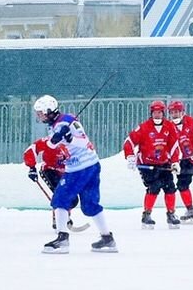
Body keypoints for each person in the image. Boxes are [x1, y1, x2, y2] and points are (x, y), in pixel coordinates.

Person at [33, 95, 116, 254]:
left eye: (41, 113)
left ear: (49, 111)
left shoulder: (69, 121)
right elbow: (51, 144)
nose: (39, 116)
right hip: (90, 166)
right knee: (90, 204)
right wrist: (59, 138)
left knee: (60, 199)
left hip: (80, 168)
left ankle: (62, 238)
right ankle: (107, 238)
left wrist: (69, 138)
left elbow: (83, 141)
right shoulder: (54, 126)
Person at [123, 100, 182, 229]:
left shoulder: (169, 127)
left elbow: (174, 146)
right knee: (154, 187)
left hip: (164, 164)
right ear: (151, 113)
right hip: (147, 165)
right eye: (155, 112)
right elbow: (129, 142)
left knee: (170, 188)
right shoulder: (144, 127)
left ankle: (171, 214)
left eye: (159, 112)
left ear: (163, 113)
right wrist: (130, 157)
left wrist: (175, 162)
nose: (157, 115)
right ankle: (147, 214)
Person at [23, 136, 77, 229]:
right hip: (49, 171)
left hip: (66, 173)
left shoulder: (77, 142)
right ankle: (59, 219)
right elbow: (32, 149)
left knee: (74, 200)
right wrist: (32, 167)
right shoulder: (50, 140)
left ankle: (64, 215)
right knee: (62, 194)